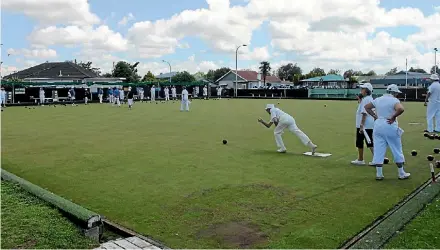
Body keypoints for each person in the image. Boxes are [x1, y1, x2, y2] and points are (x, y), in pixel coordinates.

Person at [364, 84, 409, 180]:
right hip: (389, 124)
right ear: (395, 93)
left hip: (378, 125)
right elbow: (401, 109)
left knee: (379, 149)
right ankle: (401, 173)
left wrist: (375, 116)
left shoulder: (378, 99)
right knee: (396, 148)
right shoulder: (394, 100)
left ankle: (379, 174)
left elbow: (367, 107)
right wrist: (393, 117)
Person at [352, 83, 375, 166]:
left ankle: (377, 159)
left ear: (366, 90)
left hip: (365, 125)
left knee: (369, 142)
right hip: (366, 124)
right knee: (361, 142)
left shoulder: (366, 100)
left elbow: (364, 113)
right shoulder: (368, 99)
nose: (361, 90)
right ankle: (361, 159)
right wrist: (360, 101)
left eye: (363, 89)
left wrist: (361, 125)